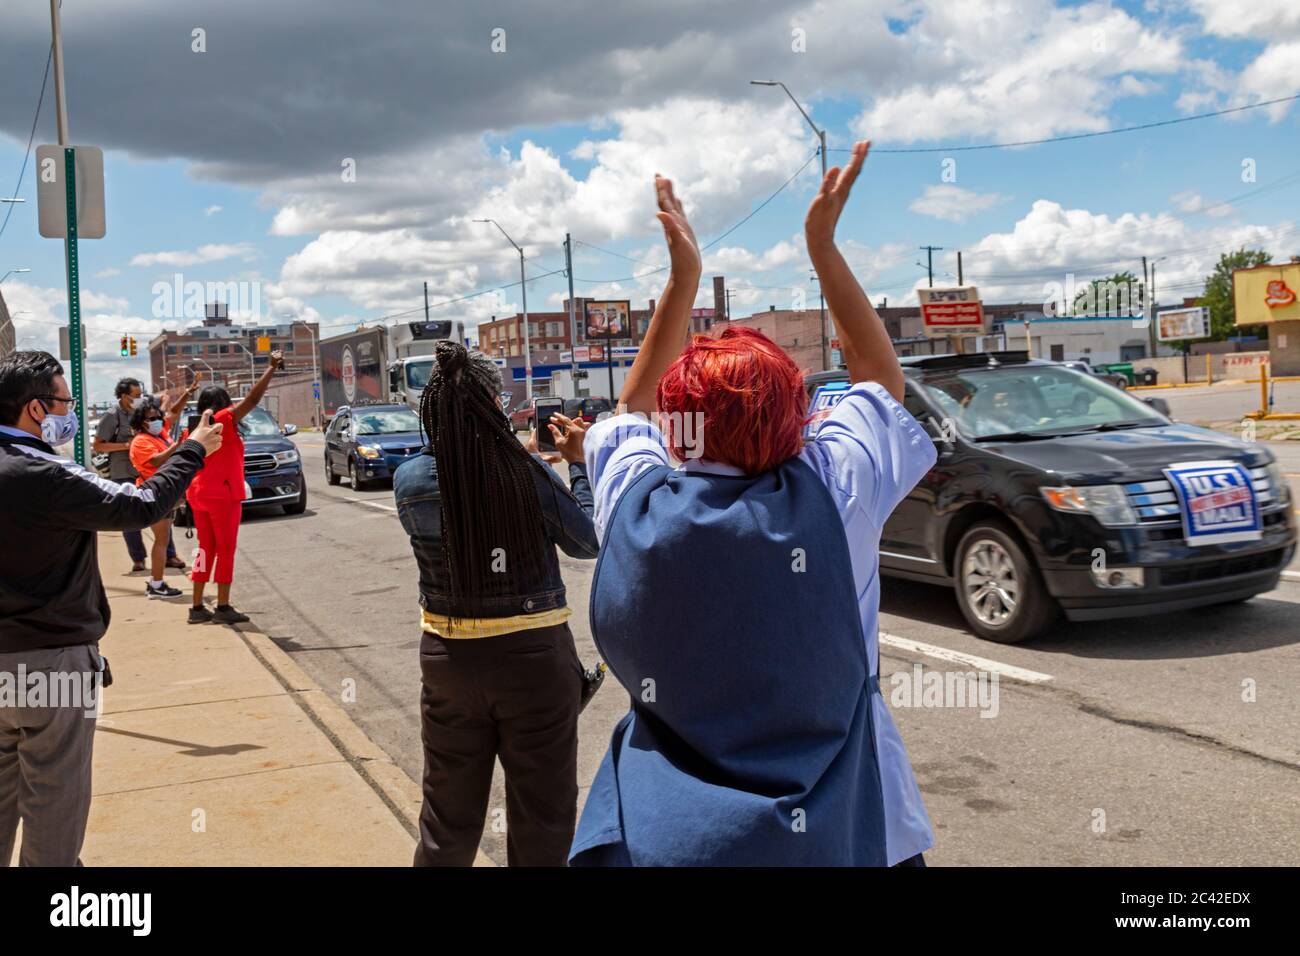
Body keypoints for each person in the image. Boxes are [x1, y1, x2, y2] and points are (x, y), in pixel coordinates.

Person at [570, 142, 938, 866]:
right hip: (846, 826)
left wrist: (684, 279)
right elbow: (879, 383)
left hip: (668, 835)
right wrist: (823, 249)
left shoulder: (636, 499)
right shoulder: (836, 491)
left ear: (677, 432)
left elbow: (630, 410)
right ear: (796, 416)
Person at [0, 351, 223, 866]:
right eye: (65, 401)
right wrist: (191, 452)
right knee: (53, 812)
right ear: (37, 409)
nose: (70, 410)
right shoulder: (43, 471)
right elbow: (137, 505)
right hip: (50, 666)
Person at [393, 343, 599, 866]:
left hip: (447, 658)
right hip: (533, 661)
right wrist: (577, 466)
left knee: (446, 820)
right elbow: (587, 542)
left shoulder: (410, 480)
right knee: (543, 818)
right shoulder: (522, 475)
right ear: (493, 406)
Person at [185, 351, 285, 625]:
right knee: (225, 549)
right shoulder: (224, 421)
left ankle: (196, 606)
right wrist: (271, 368)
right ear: (223, 404)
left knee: (205, 549)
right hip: (223, 495)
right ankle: (223, 605)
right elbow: (253, 399)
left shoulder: (193, 428)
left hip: (198, 494)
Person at [93, 377, 186, 573]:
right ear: (124, 396)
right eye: (135, 396)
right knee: (130, 518)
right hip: (124, 471)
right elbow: (98, 445)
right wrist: (126, 445)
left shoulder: (144, 412)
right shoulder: (112, 416)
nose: (139, 399)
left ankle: (170, 555)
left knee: (161, 514)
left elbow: (168, 409)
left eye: (140, 395)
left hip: (147, 472)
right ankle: (138, 559)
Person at [128, 395, 191, 599]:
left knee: (163, 539)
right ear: (141, 421)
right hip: (155, 493)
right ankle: (156, 584)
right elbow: (155, 461)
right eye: (150, 418)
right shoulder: (140, 442)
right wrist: (177, 446)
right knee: (161, 540)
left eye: (157, 416)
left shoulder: (159, 434)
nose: (155, 420)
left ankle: (157, 582)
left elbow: (173, 411)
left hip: (165, 493)